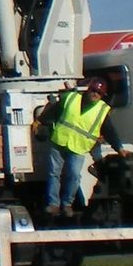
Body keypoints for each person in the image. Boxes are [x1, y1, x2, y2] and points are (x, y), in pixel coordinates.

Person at [41, 77, 126, 218]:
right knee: (53, 173)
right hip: (59, 141)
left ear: (102, 96)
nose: (95, 94)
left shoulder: (101, 110)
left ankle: (67, 204)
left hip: (78, 147)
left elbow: (109, 131)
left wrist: (119, 148)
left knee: (74, 175)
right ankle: (53, 204)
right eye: (93, 90)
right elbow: (54, 111)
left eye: (99, 93)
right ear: (88, 90)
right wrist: (40, 121)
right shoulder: (71, 98)